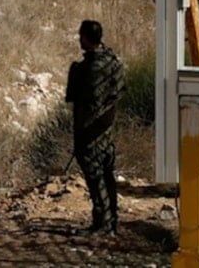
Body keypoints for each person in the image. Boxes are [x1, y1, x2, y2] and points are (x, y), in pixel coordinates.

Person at [65, 20, 125, 237]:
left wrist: (82, 136)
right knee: (107, 176)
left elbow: (86, 102)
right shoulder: (113, 61)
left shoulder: (91, 68)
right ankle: (111, 220)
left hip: (90, 132)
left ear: (85, 37)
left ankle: (103, 224)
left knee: (96, 178)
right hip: (105, 131)